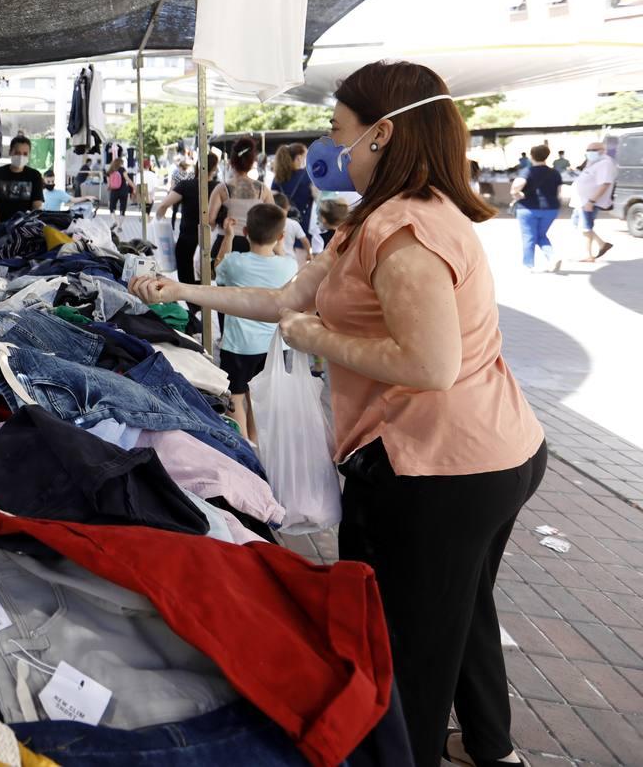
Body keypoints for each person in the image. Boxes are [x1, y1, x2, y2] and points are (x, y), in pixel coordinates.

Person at [131, 60, 545, 767]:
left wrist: (318, 339)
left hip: (440, 467)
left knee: (403, 644)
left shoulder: (406, 231)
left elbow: (429, 365)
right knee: (464, 608)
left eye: (340, 132)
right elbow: (283, 301)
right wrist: (180, 289)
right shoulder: (372, 223)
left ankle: (401, 754)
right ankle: (489, 746)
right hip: (491, 453)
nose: (334, 147)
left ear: (383, 134)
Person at [211, 204, 298, 444]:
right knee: (258, 397)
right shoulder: (289, 265)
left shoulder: (235, 263)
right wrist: (279, 245)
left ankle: (243, 446)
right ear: (281, 236)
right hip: (273, 347)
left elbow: (217, 268)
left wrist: (228, 236)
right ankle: (258, 444)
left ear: (246, 232)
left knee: (235, 396)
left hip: (239, 345)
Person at [154, 153, 221, 286]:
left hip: (187, 244)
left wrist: (157, 222)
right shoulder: (220, 188)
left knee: (187, 286)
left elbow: (163, 205)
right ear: (214, 168)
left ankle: (194, 308)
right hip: (212, 244)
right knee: (208, 287)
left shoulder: (185, 185)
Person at [207, 135, 273, 260]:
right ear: (252, 162)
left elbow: (210, 220)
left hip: (226, 244)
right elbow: (273, 220)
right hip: (254, 246)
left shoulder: (222, 189)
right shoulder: (263, 190)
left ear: (232, 161)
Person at [511, 144, 562, 273]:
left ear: (531, 156)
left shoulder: (527, 171)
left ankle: (528, 264)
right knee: (540, 235)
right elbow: (559, 192)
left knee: (529, 236)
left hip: (528, 208)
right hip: (551, 208)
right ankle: (552, 257)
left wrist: (515, 193)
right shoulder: (555, 173)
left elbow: (518, 184)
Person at [572, 137, 618, 262]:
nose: (590, 152)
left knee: (585, 227)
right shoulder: (593, 162)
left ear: (602, 150)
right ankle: (602, 244)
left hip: (589, 202)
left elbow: (605, 183)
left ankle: (588, 255)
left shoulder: (605, 163)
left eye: (593, 150)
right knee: (577, 224)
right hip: (582, 201)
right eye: (588, 150)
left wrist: (591, 201)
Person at [0, 135, 44, 224]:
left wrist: (31, 227)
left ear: (29, 155)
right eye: (17, 152)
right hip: (2, 226)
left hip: (26, 227)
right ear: (10, 152)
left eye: (25, 153)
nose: (21, 157)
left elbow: (37, 206)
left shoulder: (35, 175)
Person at [271, 142, 314, 238]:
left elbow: (272, 200)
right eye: (306, 156)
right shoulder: (308, 175)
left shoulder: (278, 177)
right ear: (299, 158)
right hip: (304, 222)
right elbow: (317, 197)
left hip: (283, 223)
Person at [273, 191, 309, 263]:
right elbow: (305, 241)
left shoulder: (268, 224)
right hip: (290, 259)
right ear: (288, 207)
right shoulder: (293, 224)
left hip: (273, 259)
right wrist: (309, 253)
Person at [168, 152, 193, 230]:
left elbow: (172, 185)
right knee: (184, 212)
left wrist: (170, 194)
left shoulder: (176, 175)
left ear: (181, 167)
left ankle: (172, 226)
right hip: (187, 195)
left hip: (176, 194)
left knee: (174, 211)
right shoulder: (191, 175)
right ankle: (185, 227)